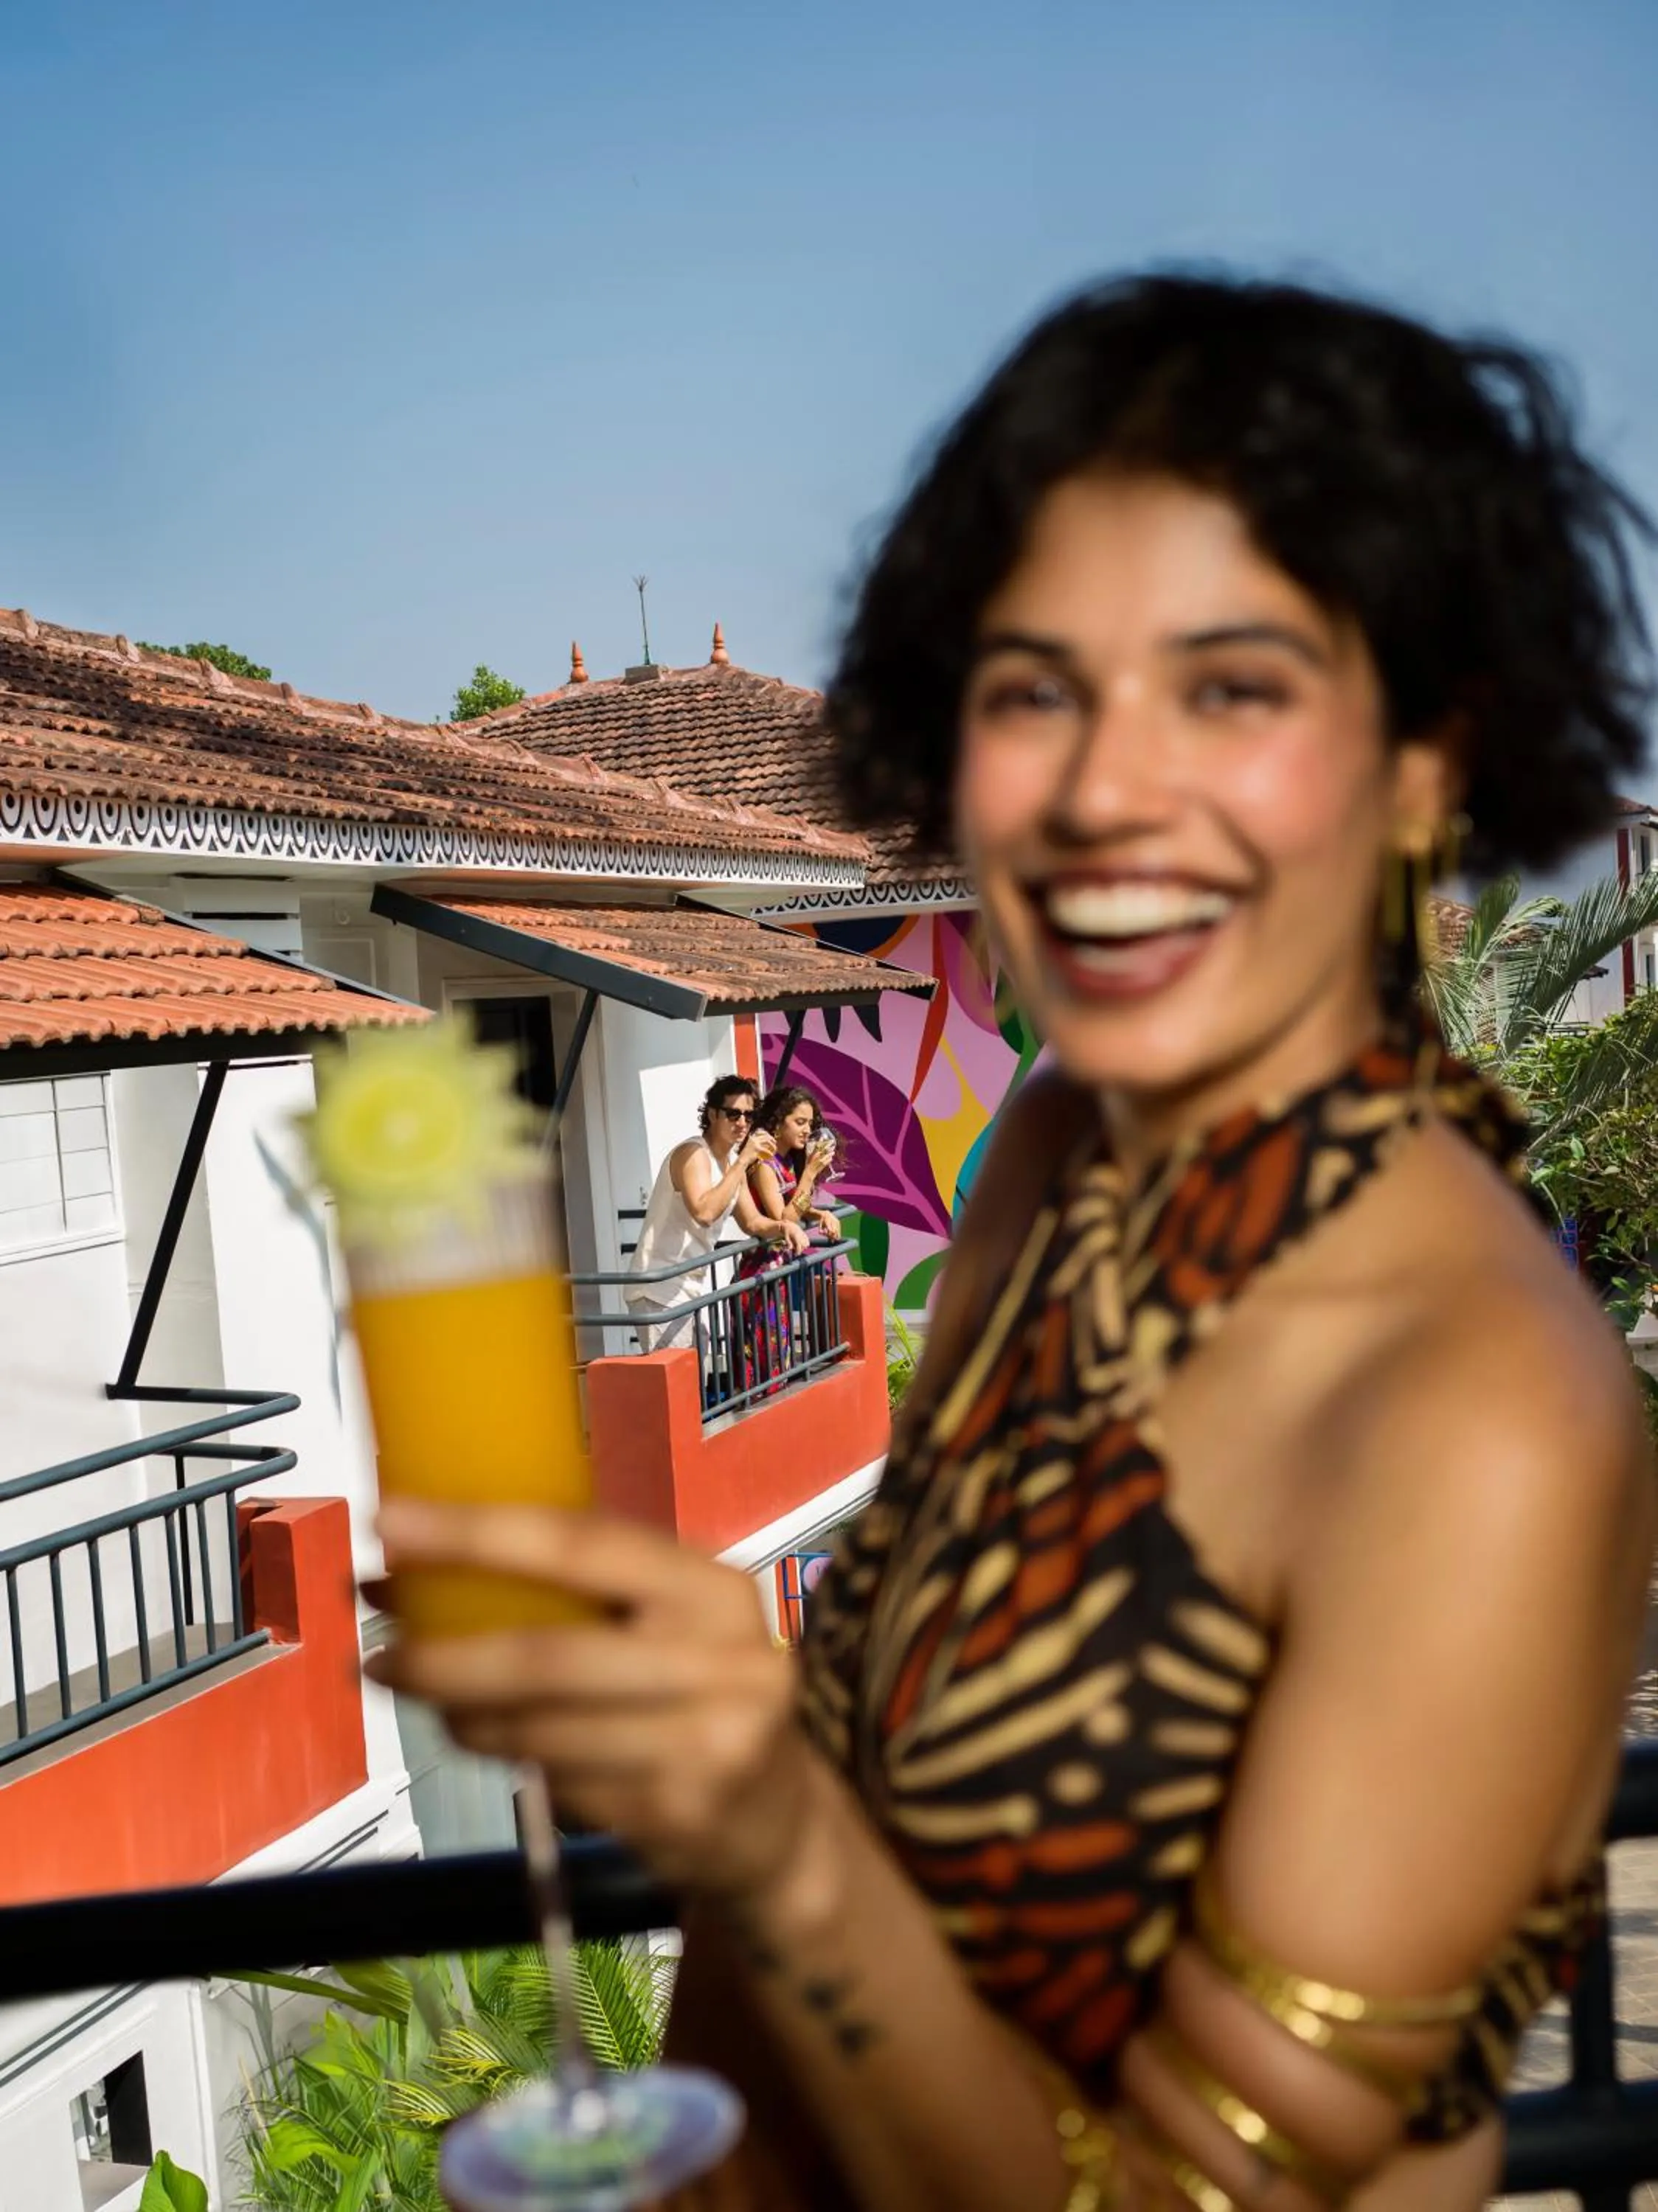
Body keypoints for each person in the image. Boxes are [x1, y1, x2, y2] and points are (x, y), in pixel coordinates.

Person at [368, 274, 1657, 2212]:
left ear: (1425, 760)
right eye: (1031, 690)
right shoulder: (1059, 1157)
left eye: (1232, 689)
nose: (1099, 797)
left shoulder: (1483, 1420)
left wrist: (761, 1817)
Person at [624, 1076, 806, 1358]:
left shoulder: (732, 1162)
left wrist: (785, 1227)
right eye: (733, 1114)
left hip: (689, 1288)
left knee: (695, 1382)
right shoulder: (694, 1154)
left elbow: (752, 1222)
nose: (742, 1123)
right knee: (677, 1388)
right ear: (712, 1114)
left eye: (749, 1115)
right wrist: (745, 1160)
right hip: (659, 1289)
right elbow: (705, 1213)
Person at [734, 1086, 843, 1392]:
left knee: (780, 1358)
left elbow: (797, 1205)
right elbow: (784, 1218)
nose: (807, 1130)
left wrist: (820, 1215)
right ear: (779, 1122)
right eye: (800, 1122)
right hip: (761, 1275)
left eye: (810, 1123)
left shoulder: (783, 1161)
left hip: (778, 1272)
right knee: (766, 1365)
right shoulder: (765, 1166)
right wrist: (809, 1174)